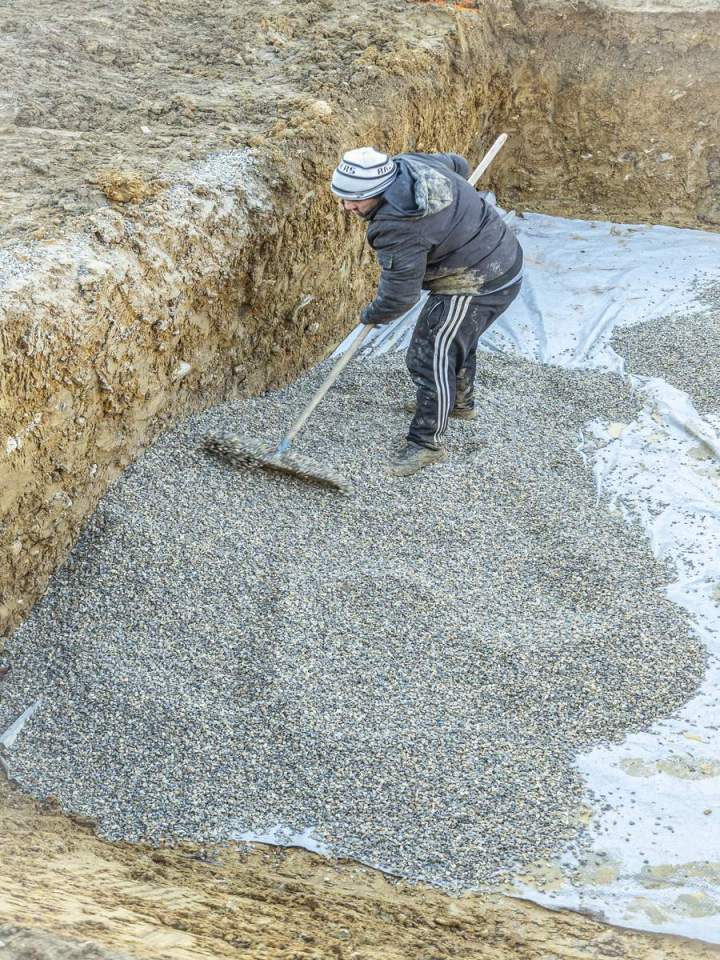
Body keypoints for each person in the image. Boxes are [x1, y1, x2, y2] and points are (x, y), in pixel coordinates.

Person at [330, 146, 523, 476]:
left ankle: (426, 443)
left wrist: (373, 314)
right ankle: (459, 405)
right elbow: (459, 164)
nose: (348, 207)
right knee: (456, 337)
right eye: (343, 197)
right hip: (494, 252)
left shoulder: (398, 227)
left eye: (357, 200)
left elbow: (400, 297)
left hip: (478, 278)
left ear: (378, 189)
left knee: (430, 353)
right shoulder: (410, 164)